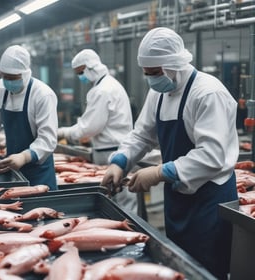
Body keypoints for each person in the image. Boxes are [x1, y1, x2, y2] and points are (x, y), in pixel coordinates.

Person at [101, 27, 238, 280]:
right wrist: (120, 161)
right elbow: (142, 134)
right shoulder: (160, 92)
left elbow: (212, 155)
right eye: (147, 74)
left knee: (208, 270)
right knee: (179, 265)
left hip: (209, 200)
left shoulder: (208, 93)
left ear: (174, 64)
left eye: (155, 73)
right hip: (178, 199)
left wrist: (160, 171)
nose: (151, 79)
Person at [57, 49, 137, 212]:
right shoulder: (110, 84)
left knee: (118, 201)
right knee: (121, 199)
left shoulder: (102, 90)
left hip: (111, 152)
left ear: (90, 67)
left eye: (81, 73)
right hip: (114, 149)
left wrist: (63, 132)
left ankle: (126, 234)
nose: (81, 77)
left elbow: (89, 128)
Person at [0, 45, 58, 190]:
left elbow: (48, 139)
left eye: (12, 78)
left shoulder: (42, 95)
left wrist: (25, 157)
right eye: (3, 76)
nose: (7, 81)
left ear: (25, 74)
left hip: (39, 171)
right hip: (12, 167)